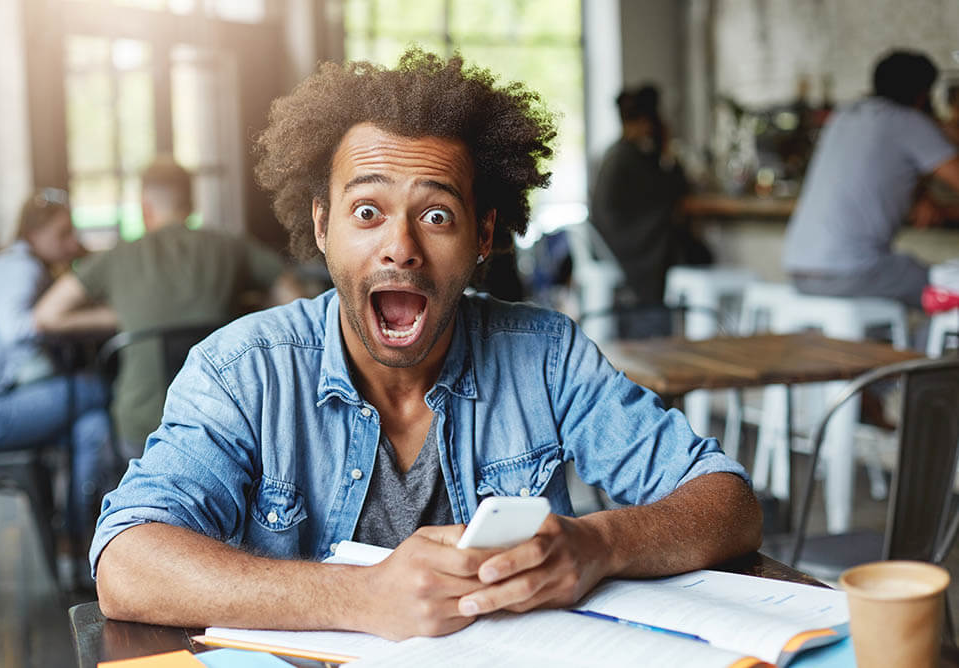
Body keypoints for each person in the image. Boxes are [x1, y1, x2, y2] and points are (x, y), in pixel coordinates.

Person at [91, 49, 761, 639]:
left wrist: (598, 542)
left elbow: (726, 502)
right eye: (367, 212)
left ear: (484, 237)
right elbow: (126, 563)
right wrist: (363, 596)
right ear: (322, 226)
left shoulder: (544, 356)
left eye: (436, 215)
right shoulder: (241, 372)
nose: (401, 248)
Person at [35, 157, 306, 455]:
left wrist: (124, 318)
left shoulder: (119, 256)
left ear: (144, 207)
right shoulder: (230, 246)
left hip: (144, 426)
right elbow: (296, 300)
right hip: (223, 419)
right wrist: (249, 311)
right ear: (191, 205)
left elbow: (47, 316)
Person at [0, 189, 113, 541]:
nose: (73, 243)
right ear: (33, 235)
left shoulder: (19, 266)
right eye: (63, 234)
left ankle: (73, 539)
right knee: (97, 388)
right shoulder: (20, 269)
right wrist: (104, 320)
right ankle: (76, 533)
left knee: (92, 425)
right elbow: (18, 330)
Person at [783, 50, 959, 309]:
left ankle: (901, 343)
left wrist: (922, 196)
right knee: (947, 291)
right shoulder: (908, 122)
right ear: (924, 94)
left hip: (799, 268)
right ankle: (927, 349)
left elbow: (885, 169)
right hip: (851, 272)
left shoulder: (845, 115)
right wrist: (946, 210)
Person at [590, 84, 690, 309]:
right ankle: (666, 314)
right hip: (627, 246)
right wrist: (666, 149)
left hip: (612, 244)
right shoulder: (628, 158)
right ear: (644, 122)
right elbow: (671, 190)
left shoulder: (618, 153)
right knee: (696, 251)